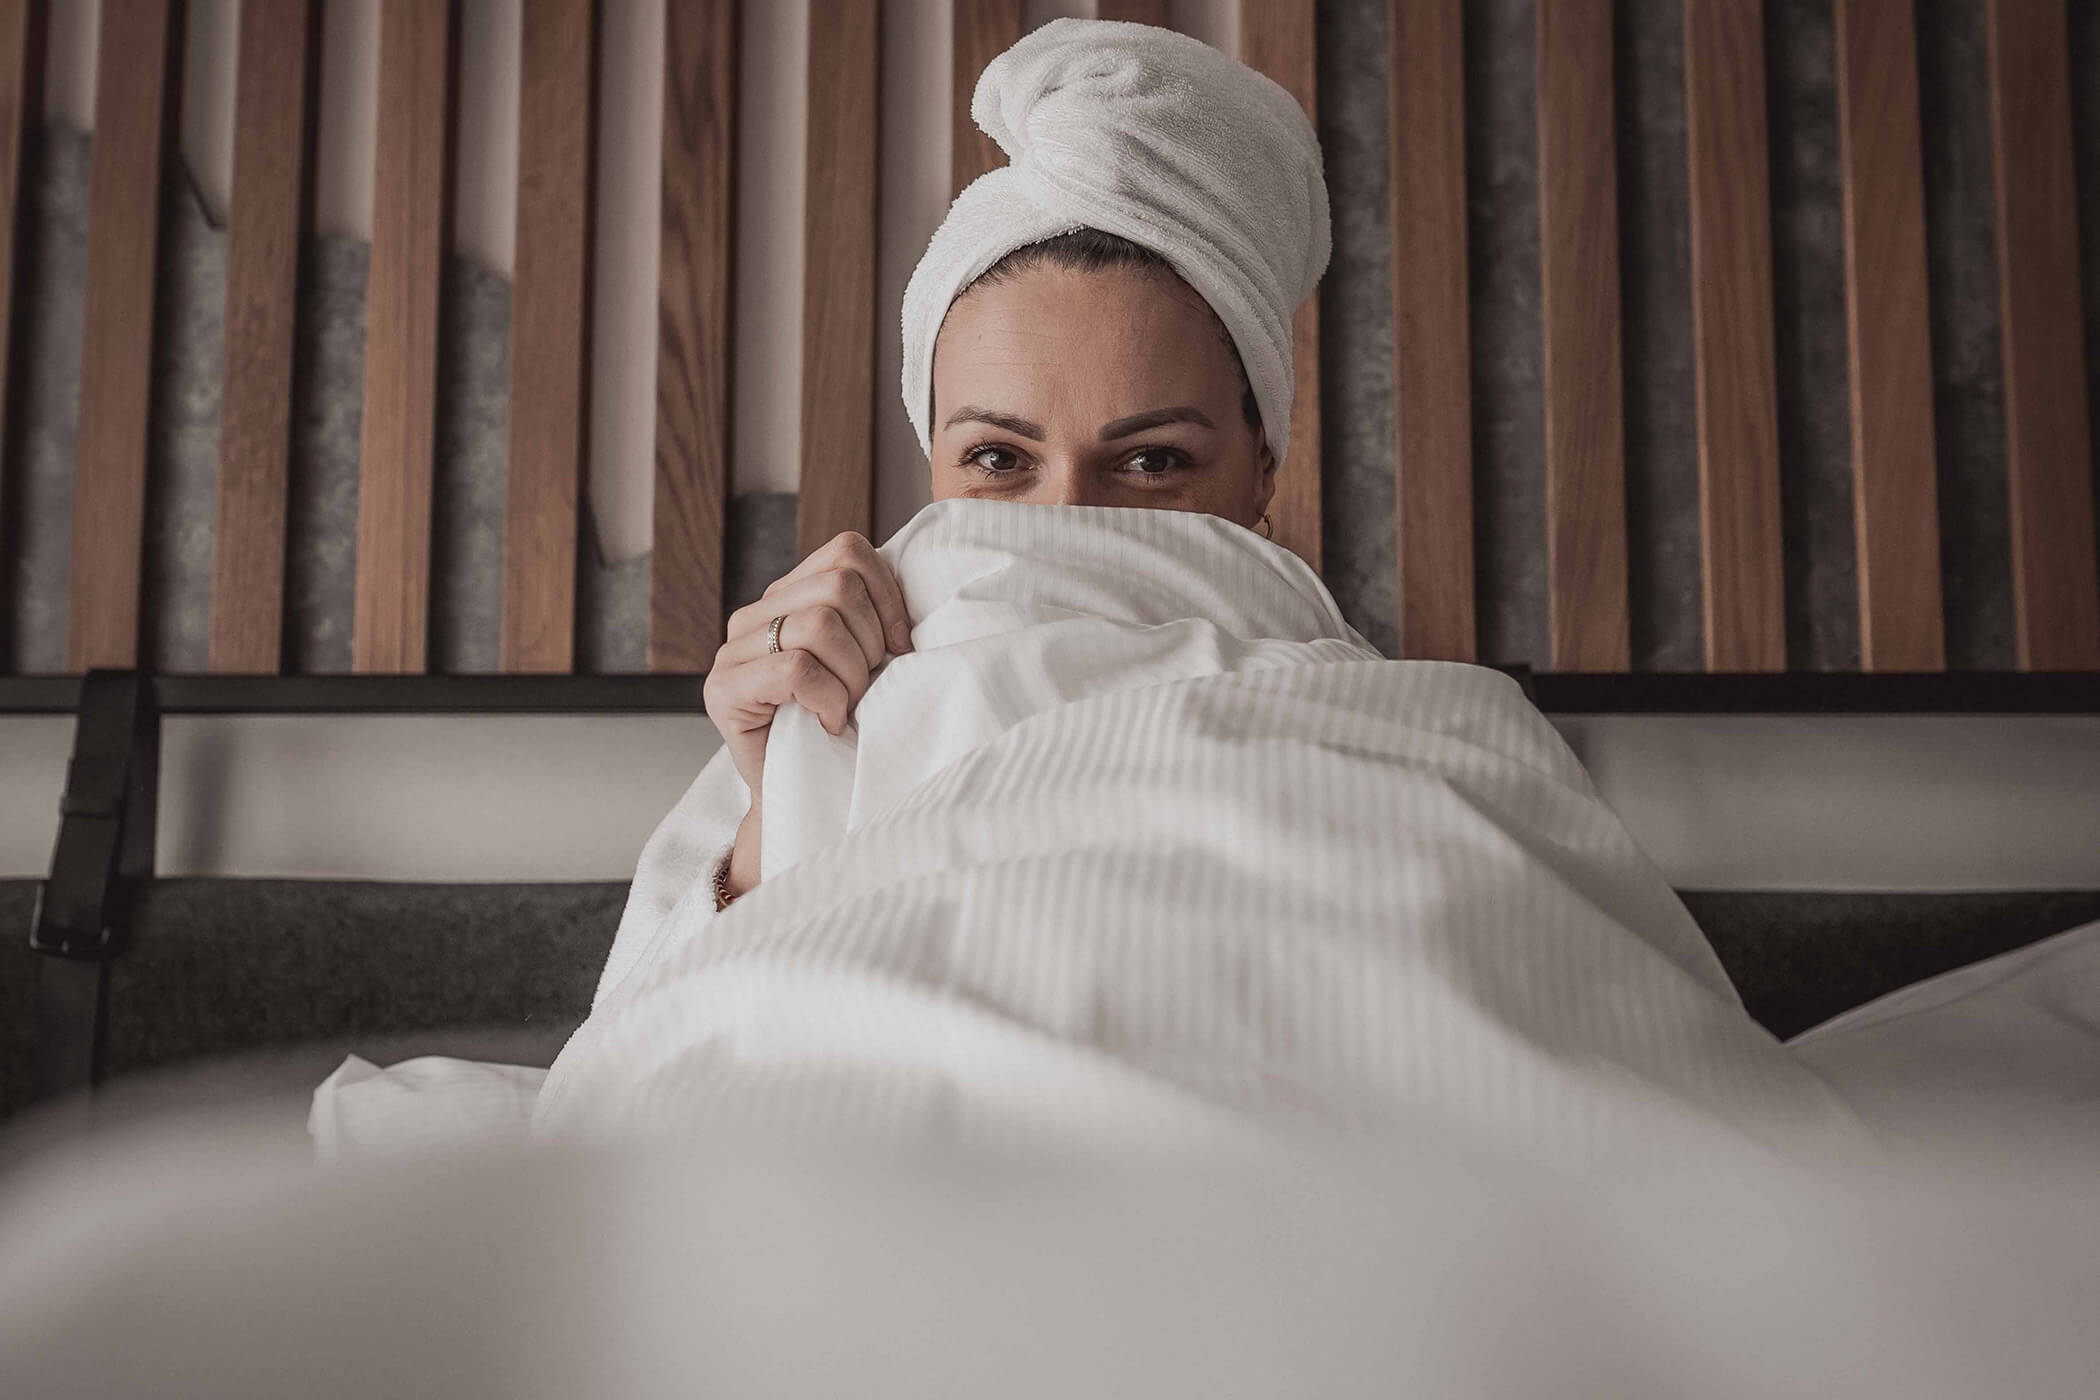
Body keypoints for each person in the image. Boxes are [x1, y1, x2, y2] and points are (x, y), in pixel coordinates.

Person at [703, 17, 1321, 908]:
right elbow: (660, 1039)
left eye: (1152, 461)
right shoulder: (796, 736)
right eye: (997, 457)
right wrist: (787, 799)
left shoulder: (1418, 750)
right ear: (933, 470)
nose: (1066, 527)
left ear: (1261, 466)